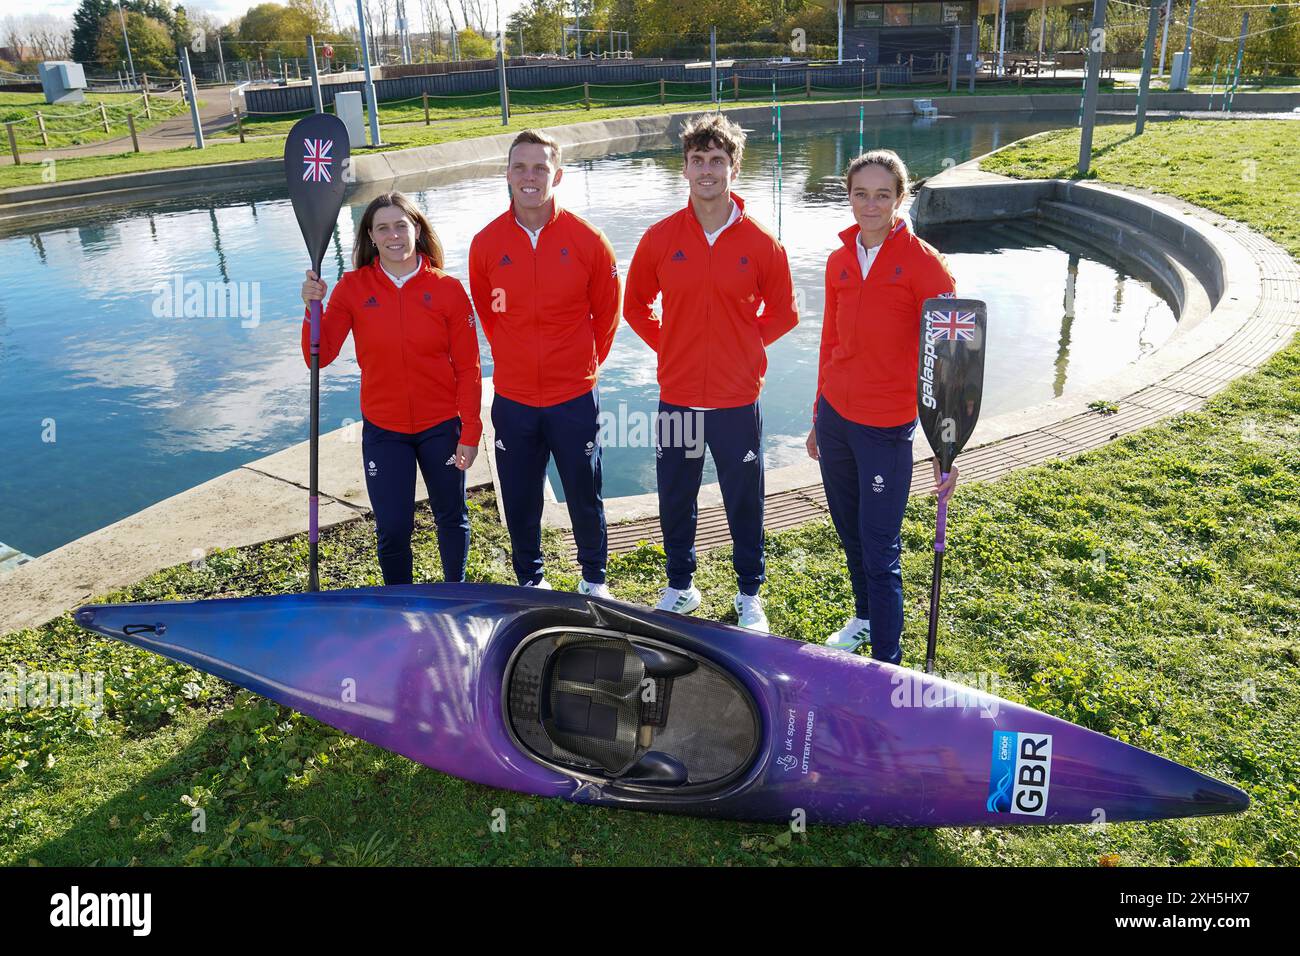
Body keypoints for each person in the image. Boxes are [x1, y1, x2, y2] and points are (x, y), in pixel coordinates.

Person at [624, 112, 798, 632]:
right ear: (685, 168)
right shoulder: (659, 238)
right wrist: (674, 347)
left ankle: (749, 593)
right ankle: (681, 585)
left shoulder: (763, 244)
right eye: (697, 160)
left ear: (733, 168)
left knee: (743, 497)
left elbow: (784, 313)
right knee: (675, 493)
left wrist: (740, 349)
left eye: (716, 160)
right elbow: (635, 307)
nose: (706, 170)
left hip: (734, 400)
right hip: (678, 396)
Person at [806, 149, 959, 664]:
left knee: (880, 549)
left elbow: (947, 360)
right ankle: (865, 617)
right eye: (860, 194)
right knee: (849, 531)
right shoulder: (838, 260)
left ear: (901, 198)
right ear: (848, 196)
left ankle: (887, 660)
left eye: (883, 195)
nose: (870, 205)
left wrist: (946, 445)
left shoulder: (925, 265)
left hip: (885, 428)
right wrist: (816, 417)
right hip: (835, 421)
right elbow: (829, 342)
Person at [468, 129, 622, 597]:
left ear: (558, 174)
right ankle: (531, 579)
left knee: (583, 493)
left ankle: (594, 578)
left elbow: (607, 318)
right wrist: (516, 361)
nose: (530, 177)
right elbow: (489, 315)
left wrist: (577, 367)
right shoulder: (486, 243)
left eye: (540, 168)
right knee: (519, 498)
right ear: (508, 174)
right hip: (513, 399)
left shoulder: (589, 241)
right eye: (520, 167)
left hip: (573, 396)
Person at [301, 191, 481, 585]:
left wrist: (470, 430)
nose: (393, 234)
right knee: (393, 527)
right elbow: (320, 354)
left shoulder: (448, 289)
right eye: (382, 227)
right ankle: (401, 602)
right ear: (370, 236)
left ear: (417, 229)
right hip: (385, 430)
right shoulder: (352, 288)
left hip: (441, 425)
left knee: (451, 515)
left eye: (401, 225)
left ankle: (455, 594)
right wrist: (311, 308)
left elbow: (469, 368)